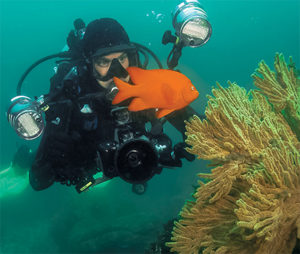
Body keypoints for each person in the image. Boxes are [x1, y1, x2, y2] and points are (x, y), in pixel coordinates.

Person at [29, 18, 201, 193]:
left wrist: (187, 145)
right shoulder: (72, 97)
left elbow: (201, 127)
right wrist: (62, 158)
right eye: (104, 62)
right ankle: (22, 156)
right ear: (90, 65)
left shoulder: (146, 86)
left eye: (122, 58)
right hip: (92, 168)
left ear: (131, 57)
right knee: (31, 157)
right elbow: (38, 180)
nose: (117, 70)